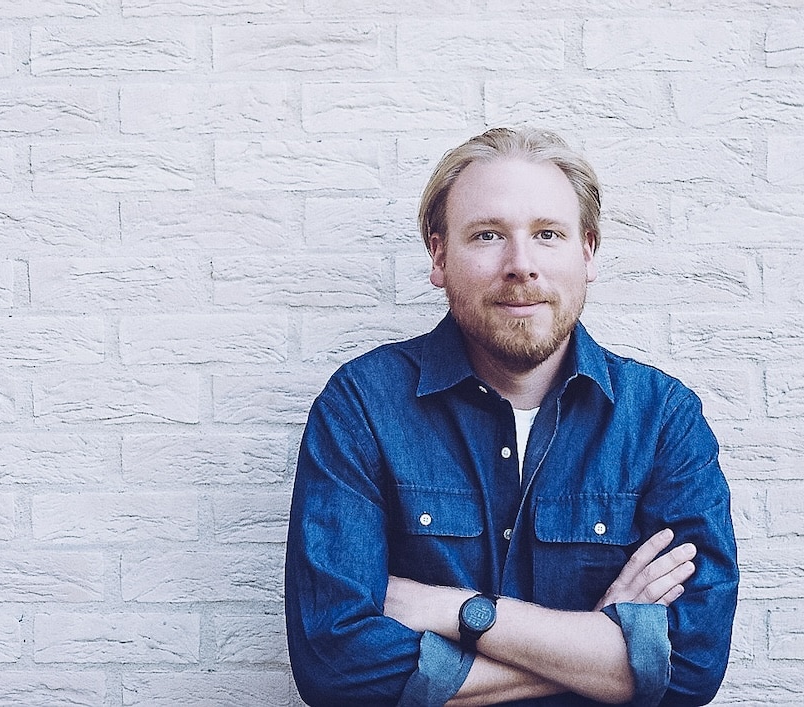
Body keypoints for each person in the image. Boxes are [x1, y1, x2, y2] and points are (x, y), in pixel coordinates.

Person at [285, 127, 738, 706]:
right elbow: (337, 670)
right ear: (439, 255)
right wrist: (601, 646)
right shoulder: (362, 407)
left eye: (547, 234)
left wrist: (462, 613)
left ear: (588, 252)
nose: (520, 264)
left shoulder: (662, 419)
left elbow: (692, 665)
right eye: (488, 235)